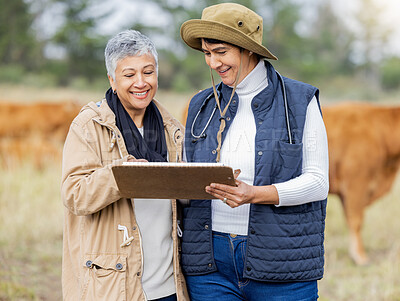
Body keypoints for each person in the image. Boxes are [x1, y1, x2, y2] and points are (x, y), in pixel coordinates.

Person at [179, 3, 329, 301]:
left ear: (247, 49)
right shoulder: (201, 105)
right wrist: (157, 176)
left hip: (282, 265)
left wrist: (255, 194)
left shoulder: (301, 101)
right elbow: (189, 181)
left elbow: (318, 182)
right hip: (209, 267)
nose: (212, 63)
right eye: (207, 54)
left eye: (220, 52)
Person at [61, 29, 188, 301]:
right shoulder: (88, 127)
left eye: (148, 72)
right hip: (115, 286)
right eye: (129, 75)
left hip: (169, 284)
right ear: (112, 80)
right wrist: (121, 175)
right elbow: (74, 195)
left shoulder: (173, 129)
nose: (141, 83)